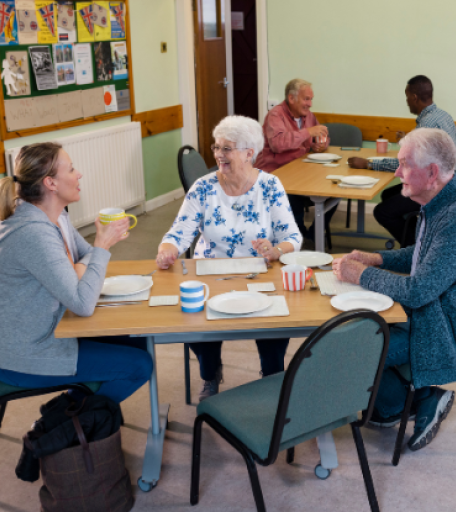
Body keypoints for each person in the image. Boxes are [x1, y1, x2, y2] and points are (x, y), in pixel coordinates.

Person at [333, 128, 456, 451]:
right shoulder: (444, 199)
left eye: (403, 165)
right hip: (441, 312)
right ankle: (400, 403)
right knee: (359, 328)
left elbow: (419, 290)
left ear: (432, 172)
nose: (397, 173)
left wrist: (362, 274)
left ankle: (418, 398)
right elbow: (425, 254)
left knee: (355, 347)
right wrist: (377, 258)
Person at [157, 115, 302, 400]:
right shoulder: (203, 187)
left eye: (227, 149)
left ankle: (271, 378)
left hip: (260, 272)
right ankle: (210, 374)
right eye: (216, 148)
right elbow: (178, 233)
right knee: (194, 319)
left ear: (249, 153)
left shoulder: (270, 186)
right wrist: (168, 251)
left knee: (275, 323)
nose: (219, 155)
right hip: (210, 271)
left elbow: (293, 238)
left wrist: (276, 250)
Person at [0, 143, 152, 404]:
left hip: (55, 326)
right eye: (70, 169)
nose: (78, 174)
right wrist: (102, 245)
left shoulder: (56, 217)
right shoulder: (33, 233)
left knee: (136, 338)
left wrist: (83, 264)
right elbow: (83, 302)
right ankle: (68, 424)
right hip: (27, 352)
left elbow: (85, 256)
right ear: (51, 183)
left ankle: (78, 408)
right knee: (139, 365)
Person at [348, 75, 456, 247]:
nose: (407, 101)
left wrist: (368, 164)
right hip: (453, 184)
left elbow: (406, 165)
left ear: (414, 97)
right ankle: (418, 236)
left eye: (407, 96)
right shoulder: (442, 116)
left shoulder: (426, 124)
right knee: (388, 194)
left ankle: (414, 249)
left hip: (438, 191)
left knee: (382, 212)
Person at [254, 78, 335, 242]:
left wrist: (320, 144)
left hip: (300, 170)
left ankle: (312, 235)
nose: (310, 104)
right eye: (306, 99)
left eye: (311, 99)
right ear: (291, 98)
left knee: (334, 192)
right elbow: (277, 144)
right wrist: (308, 133)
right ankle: (295, 237)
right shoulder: (275, 115)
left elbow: (321, 136)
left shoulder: (308, 116)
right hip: (274, 173)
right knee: (292, 196)